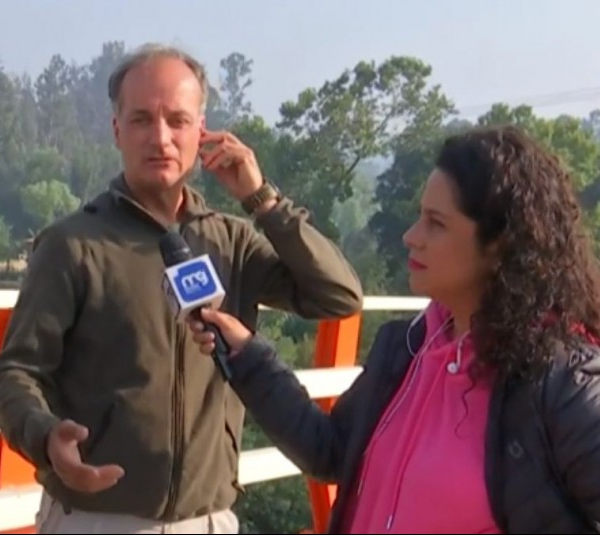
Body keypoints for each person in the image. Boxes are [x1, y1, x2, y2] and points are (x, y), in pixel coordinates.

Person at [0, 43, 363, 534]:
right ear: (116, 129)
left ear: (202, 130)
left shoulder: (232, 241)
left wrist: (262, 200)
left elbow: (338, 296)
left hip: (207, 520)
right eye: (141, 119)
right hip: (97, 519)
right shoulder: (73, 244)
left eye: (177, 121)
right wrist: (44, 436)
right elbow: (15, 372)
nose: (160, 138)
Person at [187, 125, 600, 533]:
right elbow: (330, 451)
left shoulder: (563, 381)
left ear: (499, 245)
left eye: (436, 224)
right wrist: (247, 355)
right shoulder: (408, 347)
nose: (411, 237)